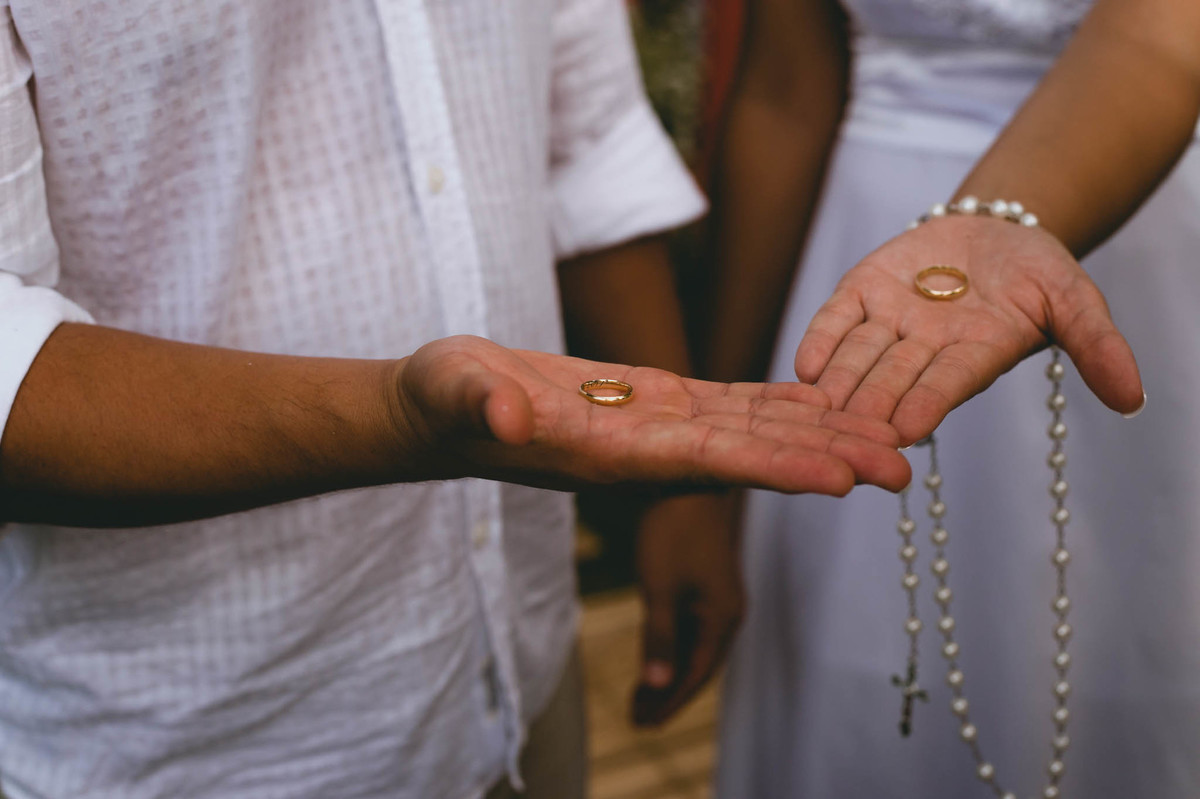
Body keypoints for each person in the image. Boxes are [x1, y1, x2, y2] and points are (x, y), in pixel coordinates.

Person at [0, 2, 914, 798]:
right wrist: (404, 418)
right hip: (195, 736)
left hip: (518, 662)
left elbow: (584, 137)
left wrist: (681, 494)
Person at [708, 0, 1200, 796]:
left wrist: (989, 225)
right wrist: (712, 462)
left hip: (1137, 229)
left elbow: (1157, 40)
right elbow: (783, 90)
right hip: (862, 250)